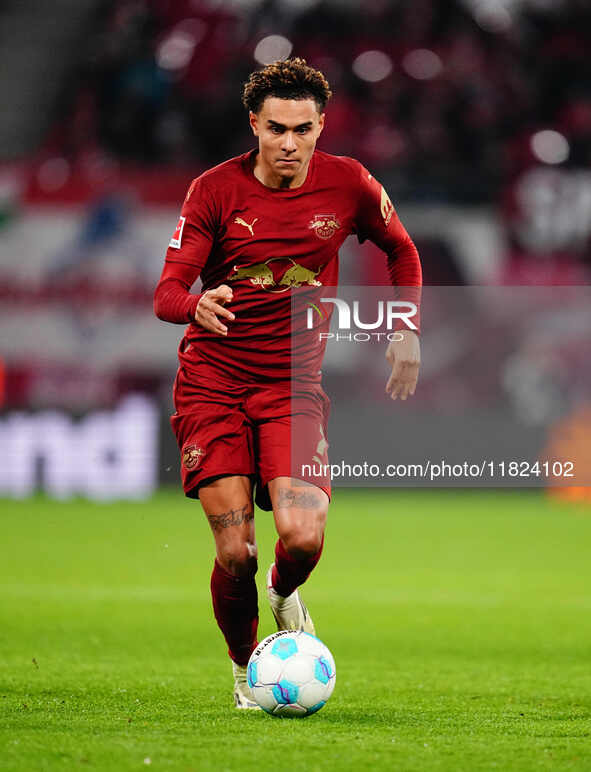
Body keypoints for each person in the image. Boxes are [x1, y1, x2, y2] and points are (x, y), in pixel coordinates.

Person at [154, 58, 422, 709]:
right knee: (235, 551)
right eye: (276, 128)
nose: (289, 144)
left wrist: (406, 328)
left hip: (291, 389)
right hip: (212, 385)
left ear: (320, 125)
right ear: (254, 123)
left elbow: (402, 250)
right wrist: (196, 306)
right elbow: (166, 293)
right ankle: (249, 670)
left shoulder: (347, 183)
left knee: (302, 537)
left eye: (303, 129)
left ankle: (283, 589)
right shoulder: (213, 191)